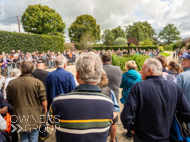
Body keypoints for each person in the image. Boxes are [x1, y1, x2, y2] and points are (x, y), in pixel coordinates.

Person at [48, 52, 113, 142]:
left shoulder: (58, 102)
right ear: (99, 76)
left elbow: (51, 124)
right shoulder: (108, 103)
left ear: (77, 74)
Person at [121, 58, 190, 142]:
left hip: (142, 137)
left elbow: (126, 116)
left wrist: (131, 128)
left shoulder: (138, 87)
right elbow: (187, 113)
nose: (141, 72)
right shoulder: (175, 87)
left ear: (149, 71)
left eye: (142, 69)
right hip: (165, 137)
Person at [6, 60, 47, 142]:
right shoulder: (37, 83)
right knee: (34, 138)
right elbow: (43, 100)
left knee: (23, 138)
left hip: (19, 114)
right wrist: (45, 109)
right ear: (32, 70)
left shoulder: (12, 83)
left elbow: (9, 99)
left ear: (21, 70)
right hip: (35, 114)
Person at [102, 53, 122, 142]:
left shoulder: (99, 69)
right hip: (114, 95)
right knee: (113, 120)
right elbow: (120, 82)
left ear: (102, 60)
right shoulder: (117, 68)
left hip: (102, 95)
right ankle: (113, 139)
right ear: (111, 59)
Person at [97, 69, 120, 142]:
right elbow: (116, 108)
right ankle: (113, 139)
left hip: (96, 118)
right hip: (107, 117)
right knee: (114, 120)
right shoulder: (109, 90)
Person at [32, 58, 49, 141]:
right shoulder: (47, 74)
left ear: (36, 64)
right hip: (43, 98)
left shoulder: (31, 73)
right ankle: (42, 133)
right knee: (43, 116)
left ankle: (35, 133)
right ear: (44, 64)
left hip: (32, 98)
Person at [177, 54, 190, 128]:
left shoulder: (181, 76)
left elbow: (176, 97)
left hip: (186, 115)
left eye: (184, 60)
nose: (182, 62)